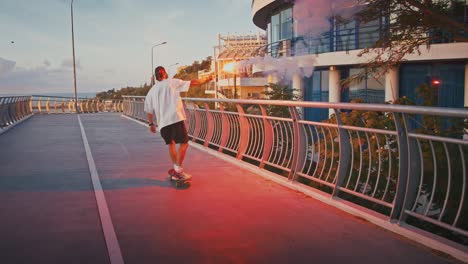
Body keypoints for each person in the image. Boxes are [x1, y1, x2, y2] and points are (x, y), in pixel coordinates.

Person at [144, 66, 211, 180]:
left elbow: (148, 110)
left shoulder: (152, 91)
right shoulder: (172, 82)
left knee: (171, 144)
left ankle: (176, 169)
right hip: (175, 118)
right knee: (184, 143)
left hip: (163, 123)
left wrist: (151, 124)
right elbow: (193, 83)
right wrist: (206, 79)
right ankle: (178, 170)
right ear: (164, 74)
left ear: (156, 77)